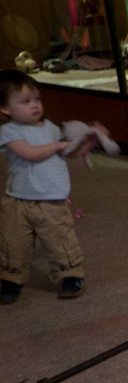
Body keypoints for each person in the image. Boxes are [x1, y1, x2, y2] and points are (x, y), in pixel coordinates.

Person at [0, 70, 87, 303]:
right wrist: (57, 146)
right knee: (13, 243)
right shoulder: (9, 131)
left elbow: (68, 152)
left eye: (37, 99)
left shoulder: (52, 129)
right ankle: (11, 278)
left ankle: (70, 275)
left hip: (52, 200)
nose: (35, 105)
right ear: (5, 108)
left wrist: (85, 142)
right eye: (25, 101)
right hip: (18, 200)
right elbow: (28, 153)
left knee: (60, 239)